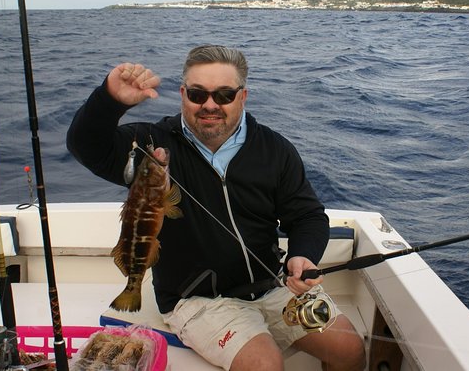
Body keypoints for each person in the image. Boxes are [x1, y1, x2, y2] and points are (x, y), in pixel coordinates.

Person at [67, 45, 365, 371]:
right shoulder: (150, 146)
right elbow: (86, 145)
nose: (210, 104)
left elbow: (307, 215)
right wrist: (110, 100)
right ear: (182, 94)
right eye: (197, 94)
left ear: (243, 96)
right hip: (198, 301)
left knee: (349, 348)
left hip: (273, 285)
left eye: (224, 94)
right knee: (264, 364)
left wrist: (302, 254)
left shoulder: (274, 149)